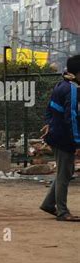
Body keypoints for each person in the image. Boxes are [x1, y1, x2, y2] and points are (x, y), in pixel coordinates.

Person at [40, 55, 80, 221]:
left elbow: (50, 108)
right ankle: (62, 212)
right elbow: (71, 117)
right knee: (64, 174)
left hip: (57, 134)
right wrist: (77, 142)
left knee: (65, 171)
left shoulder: (61, 85)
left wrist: (49, 123)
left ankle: (49, 204)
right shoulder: (71, 89)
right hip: (64, 138)